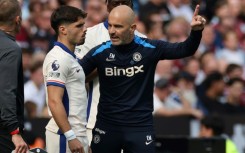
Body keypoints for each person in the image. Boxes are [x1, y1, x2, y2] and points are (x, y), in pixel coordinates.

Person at [80, 4, 206, 153]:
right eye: (110, 26)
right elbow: (75, 74)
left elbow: (185, 49)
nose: (112, 32)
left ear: (132, 28)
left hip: (139, 127)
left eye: (118, 27)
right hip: (107, 126)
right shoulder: (100, 51)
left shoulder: (149, 48)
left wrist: (196, 32)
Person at [75, 0, 146, 143]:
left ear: (132, 5)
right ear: (106, 4)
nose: (119, 5)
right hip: (97, 119)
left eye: (124, 2)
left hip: (133, 123)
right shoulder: (90, 35)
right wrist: (107, 63)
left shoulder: (143, 41)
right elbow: (77, 77)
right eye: (115, 2)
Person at [43, 6, 89, 153]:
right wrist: (70, 136)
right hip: (64, 135)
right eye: (79, 26)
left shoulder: (71, 57)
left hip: (77, 132)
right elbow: (54, 101)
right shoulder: (58, 58)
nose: (85, 29)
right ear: (63, 30)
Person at [0, 0, 29, 153]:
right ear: (17, 20)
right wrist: (14, 132)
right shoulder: (11, 49)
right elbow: (5, 91)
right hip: (4, 130)